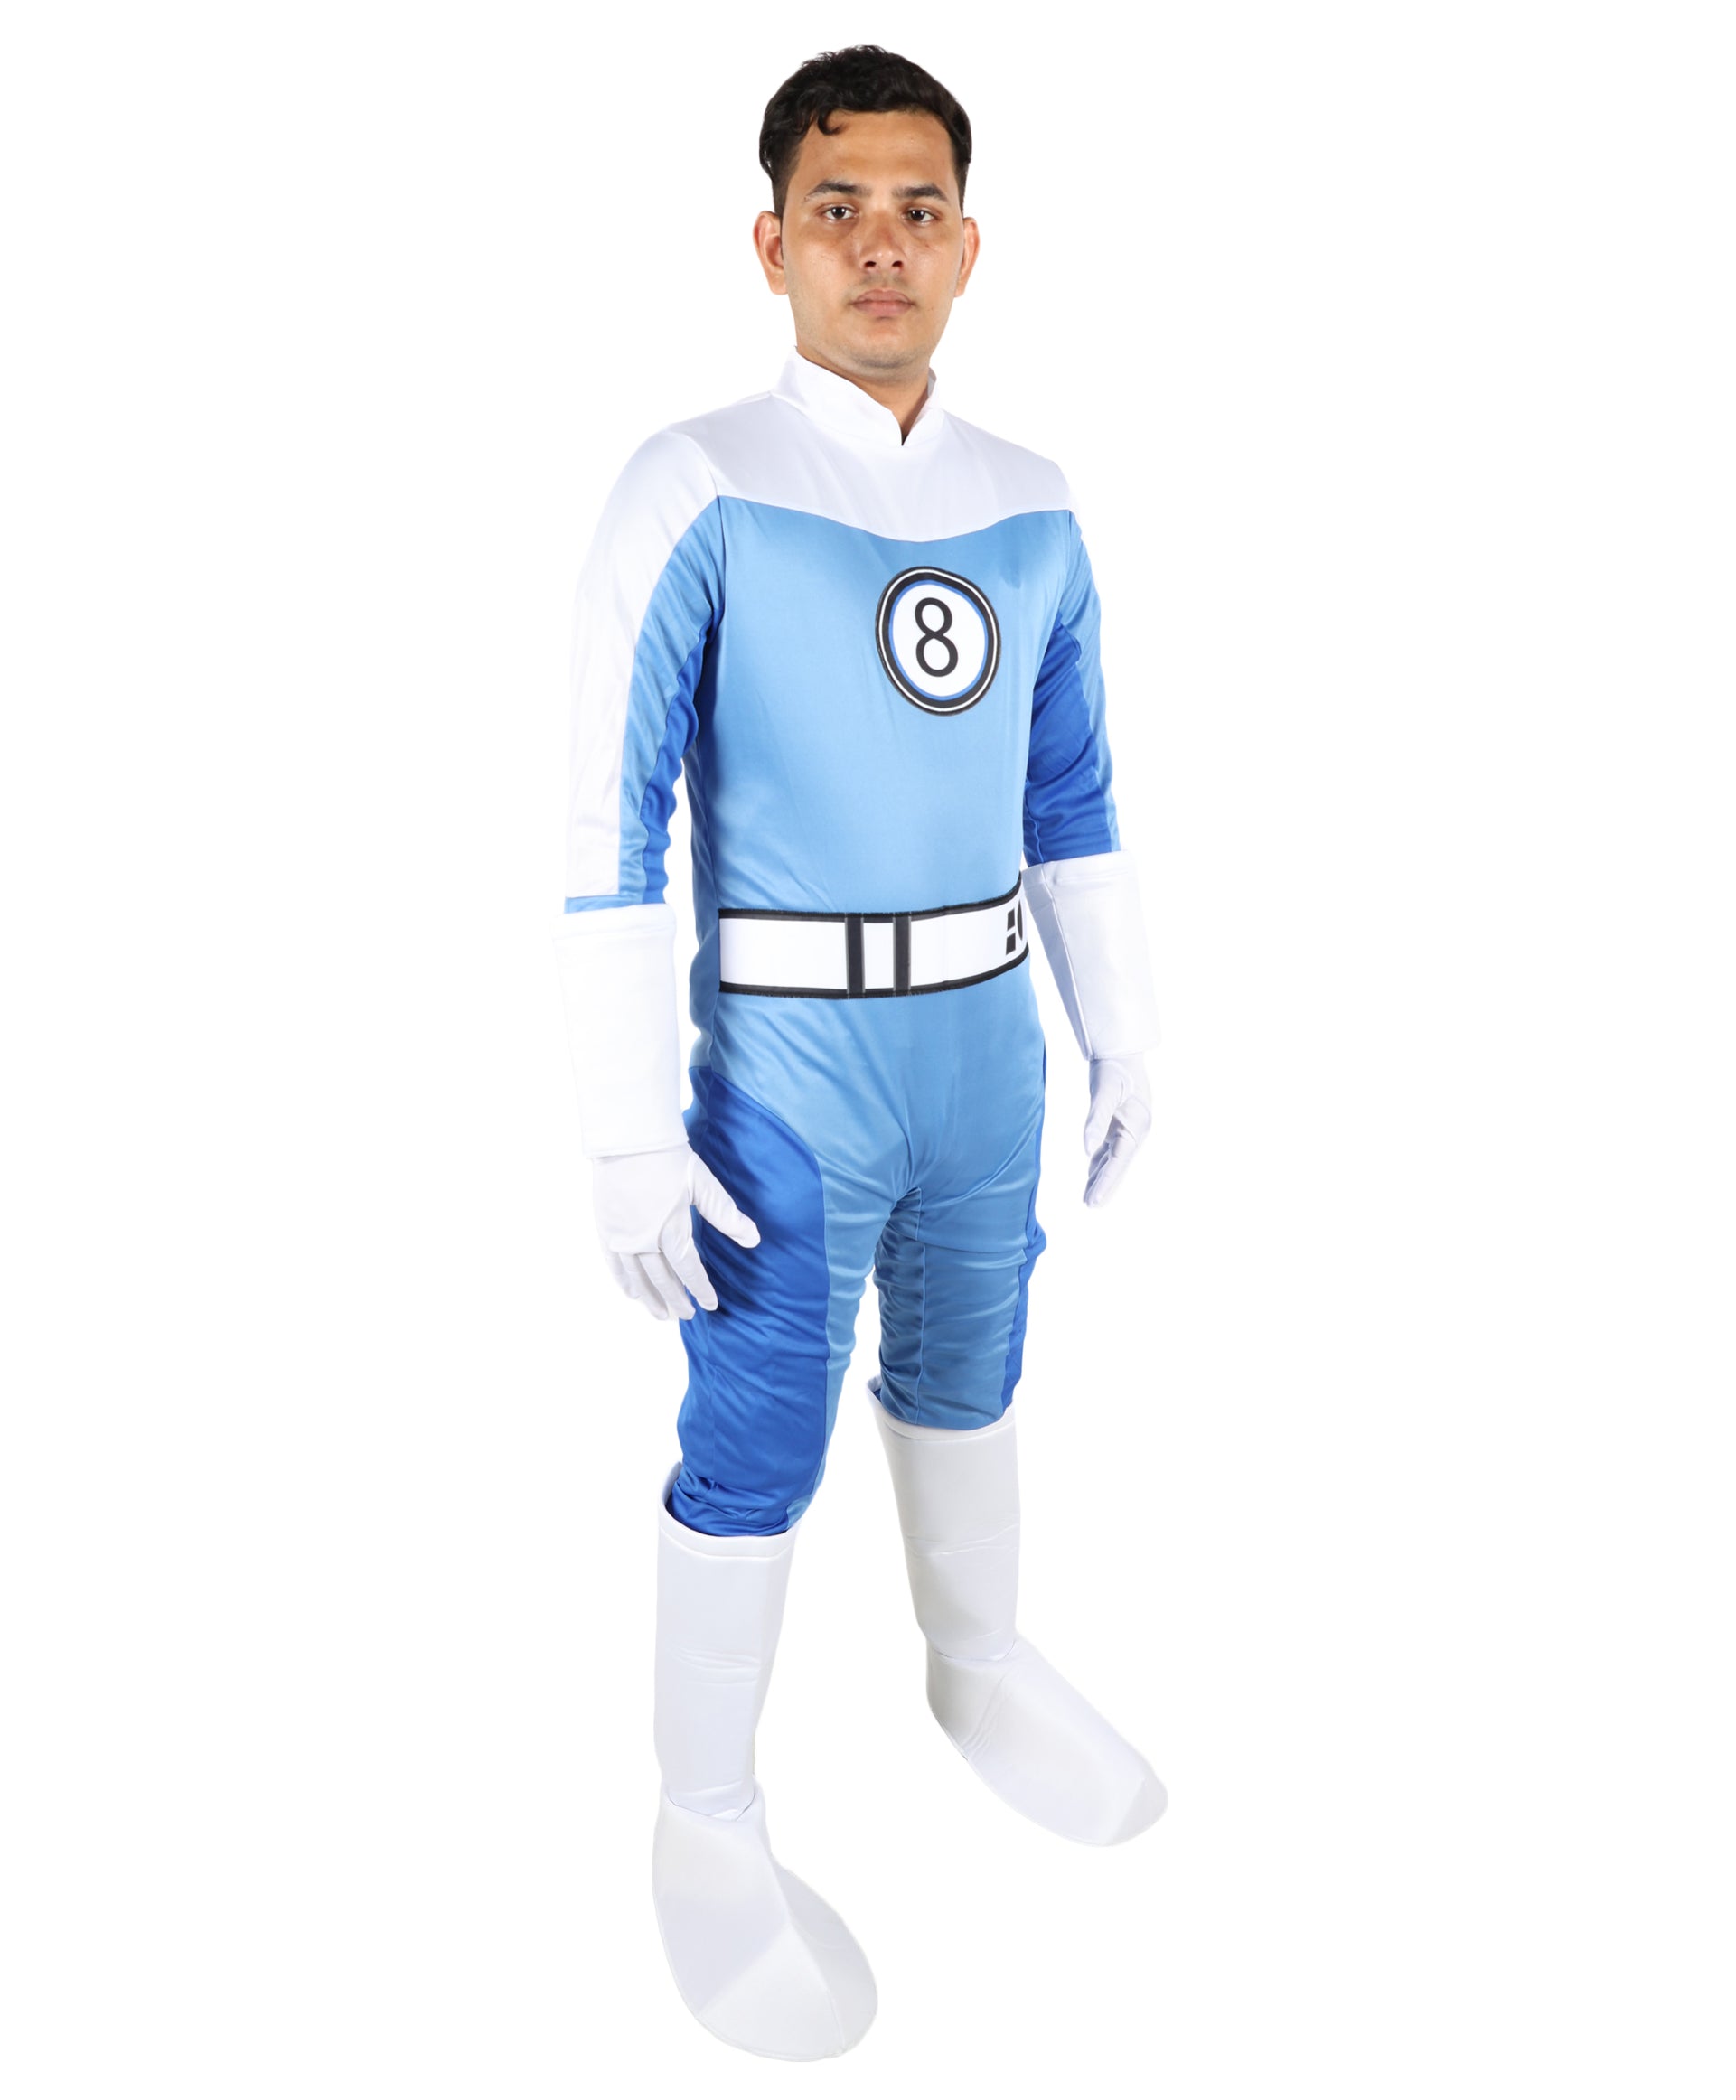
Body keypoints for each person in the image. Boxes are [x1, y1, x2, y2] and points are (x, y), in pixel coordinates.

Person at [554, 45, 1165, 2061]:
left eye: (918, 210)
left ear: (970, 245)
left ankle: (975, 1659)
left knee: (976, 1361)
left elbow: (1071, 795)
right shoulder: (697, 484)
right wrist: (624, 1130)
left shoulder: (1034, 502)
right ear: (771, 243)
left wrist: (1120, 1027)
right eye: (839, 209)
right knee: (756, 1435)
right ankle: (704, 1812)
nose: (879, 246)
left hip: (984, 1043)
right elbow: (605, 829)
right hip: (790, 1064)